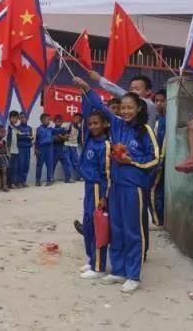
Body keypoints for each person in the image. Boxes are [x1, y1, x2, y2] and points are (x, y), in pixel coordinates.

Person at [75, 77, 159, 293]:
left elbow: (155, 158)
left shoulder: (145, 130)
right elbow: (100, 107)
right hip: (116, 188)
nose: (126, 111)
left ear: (139, 108)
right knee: (117, 229)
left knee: (133, 231)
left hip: (134, 188)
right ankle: (119, 270)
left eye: (130, 107)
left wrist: (130, 160)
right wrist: (86, 88)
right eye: (123, 108)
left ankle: (133, 274)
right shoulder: (117, 126)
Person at [78, 110, 111, 280]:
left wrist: (104, 196)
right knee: (88, 224)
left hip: (98, 187)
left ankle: (99, 267)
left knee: (99, 225)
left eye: (96, 123)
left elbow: (107, 173)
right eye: (90, 124)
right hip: (89, 187)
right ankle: (91, 259)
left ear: (105, 124)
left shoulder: (105, 145)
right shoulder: (90, 140)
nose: (92, 126)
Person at [88, 70, 157, 128]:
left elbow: (120, 93)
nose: (133, 92)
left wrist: (99, 79)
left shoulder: (150, 105)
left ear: (148, 91)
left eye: (137, 89)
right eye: (131, 89)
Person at [149, 89, 167, 227]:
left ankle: (158, 221)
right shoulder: (158, 119)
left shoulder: (167, 120)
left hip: (161, 160)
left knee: (154, 190)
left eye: (163, 101)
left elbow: (164, 142)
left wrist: (159, 160)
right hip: (158, 159)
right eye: (157, 101)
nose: (159, 104)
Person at [34, 113, 55, 186]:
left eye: (49, 119)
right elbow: (36, 140)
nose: (48, 121)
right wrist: (36, 149)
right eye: (47, 119)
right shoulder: (39, 129)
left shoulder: (51, 129)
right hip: (41, 148)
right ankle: (37, 180)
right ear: (42, 120)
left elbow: (55, 135)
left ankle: (49, 180)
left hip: (49, 148)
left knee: (50, 165)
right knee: (39, 165)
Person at [52, 114, 73, 183]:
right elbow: (54, 139)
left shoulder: (64, 130)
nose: (58, 123)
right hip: (54, 149)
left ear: (62, 122)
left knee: (67, 164)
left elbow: (67, 139)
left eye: (60, 122)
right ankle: (50, 178)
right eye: (57, 121)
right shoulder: (52, 130)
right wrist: (61, 137)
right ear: (54, 122)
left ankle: (68, 178)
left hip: (62, 148)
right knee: (52, 165)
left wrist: (60, 137)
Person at [16, 113, 33, 188]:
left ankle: (24, 181)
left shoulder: (29, 128)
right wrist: (27, 137)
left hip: (28, 148)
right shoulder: (17, 127)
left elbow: (31, 137)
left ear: (27, 118)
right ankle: (18, 182)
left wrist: (25, 136)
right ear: (19, 118)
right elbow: (19, 138)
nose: (23, 119)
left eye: (25, 118)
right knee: (20, 165)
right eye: (22, 117)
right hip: (20, 148)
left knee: (26, 165)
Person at [65, 113, 83, 181]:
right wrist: (65, 137)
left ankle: (79, 176)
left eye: (79, 119)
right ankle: (68, 178)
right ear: (73, 118)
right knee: (68, 162)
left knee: (76, 162)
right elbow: (65, 134)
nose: (77, 120)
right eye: (76, 118)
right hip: (67, 146)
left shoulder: (79, 129)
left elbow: (79, 138)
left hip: (74, 146)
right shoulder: (69, 126)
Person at [7, 111, 21, 189]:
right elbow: (7, 140)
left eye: (16, 118)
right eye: (13, 118)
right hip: (10, 151)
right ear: (9, 118)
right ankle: (10, 183)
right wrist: (8, 151)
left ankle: (14, 182)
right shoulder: (8, 128)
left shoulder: (16, 128)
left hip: (16, 150)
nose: (14, 120)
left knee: (15, 168)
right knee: (10, 168)